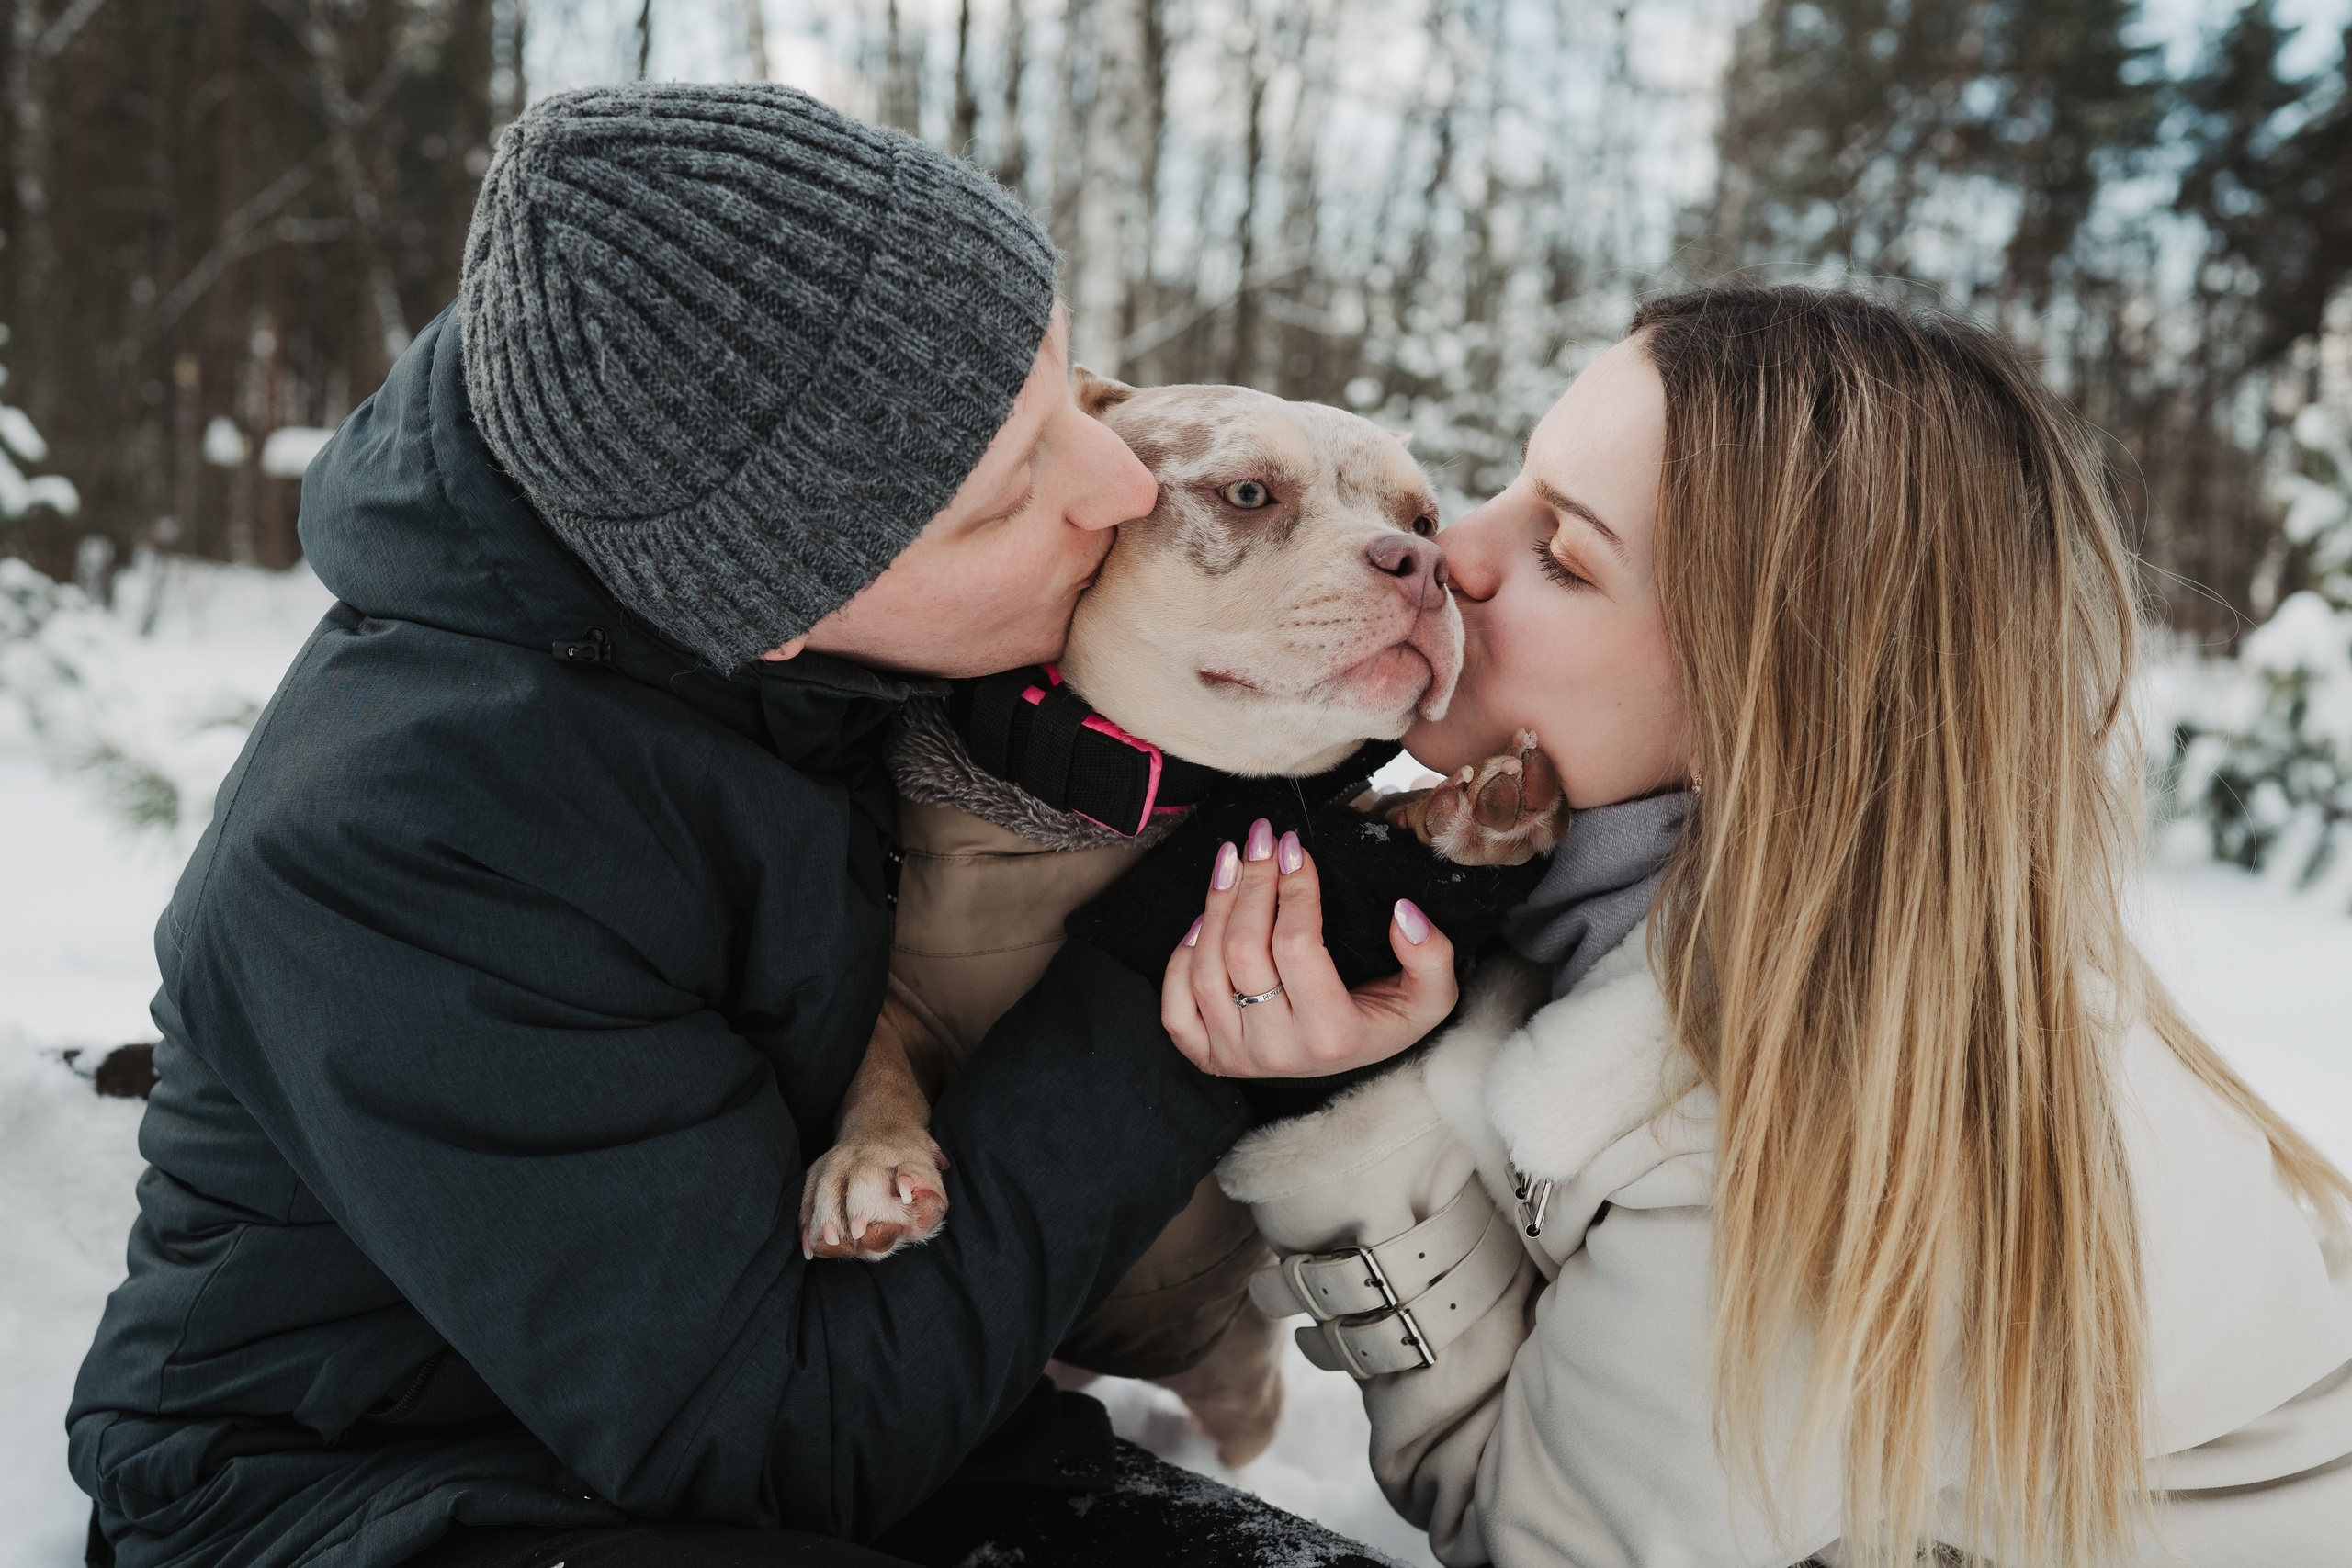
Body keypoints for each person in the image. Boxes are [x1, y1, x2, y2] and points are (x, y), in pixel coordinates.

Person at [63, 83, 1314, 1568]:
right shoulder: (394, 849)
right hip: (382, 1492)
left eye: (1065, 389)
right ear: (772, 610)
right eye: (1005, 495)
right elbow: (785, 1442)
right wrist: (1172, 981)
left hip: (856, 1391)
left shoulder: (812, 630)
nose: (1112, 483)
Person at [1174, 286, 2352, 1567]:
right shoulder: (1672, 911)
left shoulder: (1826, 1122)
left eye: (1567, 555)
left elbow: (1536, 1543)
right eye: (1515, 481)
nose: (1455, 548)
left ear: (1766, 700)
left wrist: (1358, 1139)